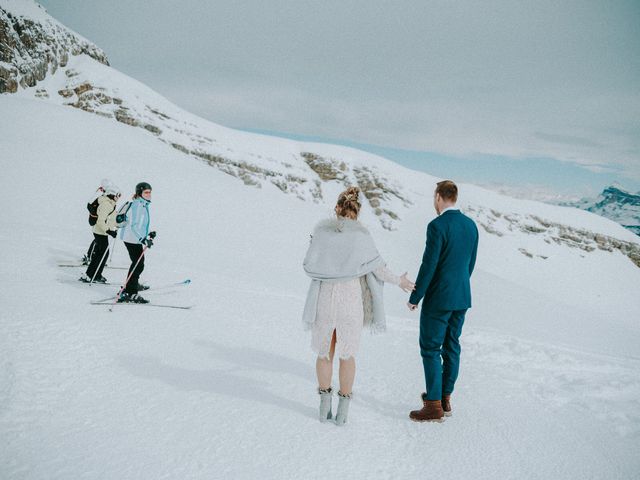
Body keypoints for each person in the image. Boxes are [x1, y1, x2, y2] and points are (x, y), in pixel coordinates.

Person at [302, 186, 415, 425]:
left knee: (325, 353)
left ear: (337, 208)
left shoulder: (322, 234)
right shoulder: (362, 238)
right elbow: (379, 270)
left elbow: (309, 266)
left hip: (325, 298)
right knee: (347, 355)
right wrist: (400, 281)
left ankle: (324, 407)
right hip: (350, 301)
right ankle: (343, 411)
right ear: (357, 211)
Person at [407, 180, 479, 422]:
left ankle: (433, 406)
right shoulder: (471, 226)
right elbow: (470, 264)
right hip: (461, 296)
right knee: (452, 347)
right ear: (454, 197)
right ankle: (445, 398)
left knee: (430, 348)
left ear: (438, 197)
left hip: (439, 298)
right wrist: (458, 287)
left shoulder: (437, 226)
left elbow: (429, 265)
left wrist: (416, 296)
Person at [118, 182, 154, 303]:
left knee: (138, 263)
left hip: (134, 238)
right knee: (138, 263)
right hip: (131, 238)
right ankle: (131, 292)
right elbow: (133, 225)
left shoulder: (142, 204)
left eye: (150, 192)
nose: (149, 194)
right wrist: (142, 239)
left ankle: (130, 286)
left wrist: (146, 235)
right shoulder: (138, 205)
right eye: (146, 192)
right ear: (140, 193)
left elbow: (139, 224)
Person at [79, 184, 121, 283]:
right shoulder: (106, 204)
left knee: (101, 254)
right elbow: (100, 221)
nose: (119, 198)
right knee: (102, 254)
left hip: (102, 232)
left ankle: (92, 274)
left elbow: (111, 218)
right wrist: (109, 231)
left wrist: (116, 225)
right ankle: (93, 275)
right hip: (100, 232)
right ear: (113, 194)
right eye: (118, 195)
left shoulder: (111, 204)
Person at [83, 178, 112, 265]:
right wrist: (96, 215)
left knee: (99, 239)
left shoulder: (105, 193)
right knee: (97, 239)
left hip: (101, 219)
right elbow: (89, 205)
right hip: (95, 219)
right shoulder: (99, 193)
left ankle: (94, 257)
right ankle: (90, 257)